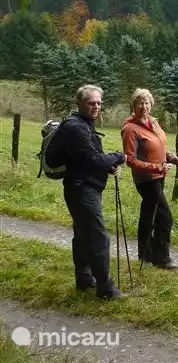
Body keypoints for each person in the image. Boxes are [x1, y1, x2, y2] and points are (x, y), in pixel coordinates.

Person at [50, 85, 127, 299]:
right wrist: (119, 157)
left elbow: (88, 157)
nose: (96, 106)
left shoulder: (84, 125)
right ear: (79, 103)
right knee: (97, 236)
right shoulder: (75, 128)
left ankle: (84, 279)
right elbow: (93, 159)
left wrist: (109, 166)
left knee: (83, 234)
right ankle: (106, 288)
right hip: (81, 189)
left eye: (99, 103)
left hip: (83, 186)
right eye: (91, 102)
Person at [121, 88, 178, 269]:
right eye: (140, 103)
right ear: (133, 106)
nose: (144, 106)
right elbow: (130, 160)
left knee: (149, 214)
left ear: (151, 104)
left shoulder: (153, 123)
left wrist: (172, 158)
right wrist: (157, 167)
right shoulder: (130, 129)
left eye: (147, 102)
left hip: (159, 176)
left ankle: (145, 254)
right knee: (165, 216)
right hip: (146, 179)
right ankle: (161, 258)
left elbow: (160, 149)